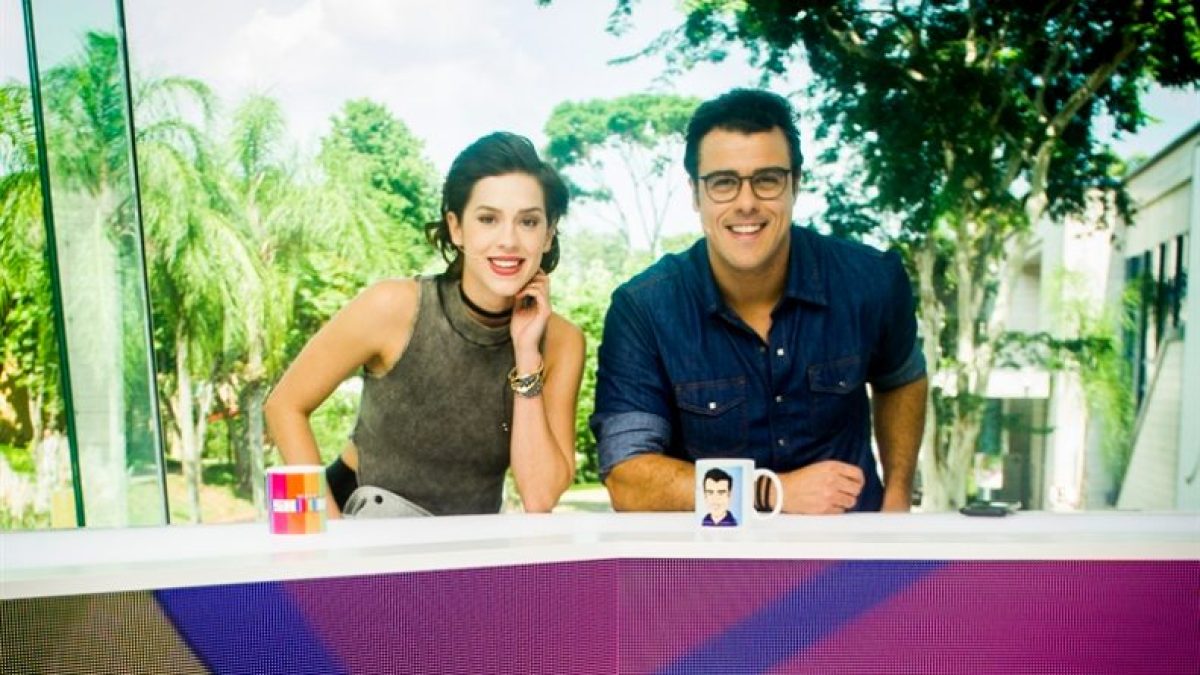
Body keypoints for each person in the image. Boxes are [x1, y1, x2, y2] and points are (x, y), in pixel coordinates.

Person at [590, 89, 928, 515]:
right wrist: (770, 491)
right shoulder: (644, 309)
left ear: (795, 184)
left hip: (850, 545)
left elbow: (901, 378)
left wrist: (897, 499)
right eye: (723, 183)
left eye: (767, 179)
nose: (746, 203)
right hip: (709, 551)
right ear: (695, 193)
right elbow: (628, 477)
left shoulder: (871, 280)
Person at [266, 132, 585, 517]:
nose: (508, 240)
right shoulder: (393, 307)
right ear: (456, 227)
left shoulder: (562, 342)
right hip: (359, 517)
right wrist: (329, 533)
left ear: (548, 234)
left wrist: (527, 353)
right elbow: (284, 405)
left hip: (463, 541)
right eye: (488, 219)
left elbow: (539, 497)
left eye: (528, 222)